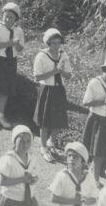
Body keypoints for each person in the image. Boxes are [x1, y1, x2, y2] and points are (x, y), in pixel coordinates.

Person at [0, 2, 26, 129]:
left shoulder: (18, 30)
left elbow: (20, 48)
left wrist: (16, 45)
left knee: (6, 89)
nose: (8, 19)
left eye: (11, 18)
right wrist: (9, 43)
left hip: (10, 60)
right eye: (6, 16)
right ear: (2, 15)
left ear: (15, 19)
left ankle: (0, 115)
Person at [35, 28, 74, 163]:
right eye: (53, 43)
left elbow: (68, 76)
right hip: (47, 89)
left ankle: (51, 142)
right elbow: (37, 77)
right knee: (45, 121)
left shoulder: (64, 55)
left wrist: (61, 71)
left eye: (58, 43)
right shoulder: (41, 56)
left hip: (59, 90)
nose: (56, 46)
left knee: (58, 119)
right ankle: (43, 147)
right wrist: (54, 71)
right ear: (48, 43)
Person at [0, 126, 40, 206]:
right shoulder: (8, 159)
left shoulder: (32, 158)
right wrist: (22, 179)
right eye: (21, 141)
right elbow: (2, 181)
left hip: (28, 199)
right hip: (12, 199)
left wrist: (34, 179)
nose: (25, 145)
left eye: (28, 141)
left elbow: (36, 176)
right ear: (14, 141)